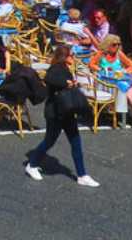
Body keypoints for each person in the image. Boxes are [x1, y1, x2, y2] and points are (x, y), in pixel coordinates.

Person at [25, 45, 99, 187]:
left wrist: (71, 84)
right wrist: (66, 83)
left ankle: (82, 174)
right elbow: (50, 79)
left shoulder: (65, 69)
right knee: (49, 141)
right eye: (71, 55)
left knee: (75, 141)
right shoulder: (56, 69)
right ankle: (32, 164)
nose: (73, 58)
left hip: (66, 111)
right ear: (64, 57)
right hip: (55, 113)